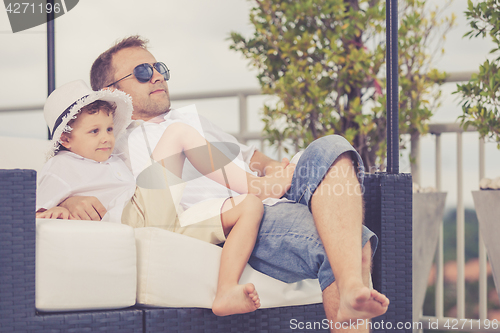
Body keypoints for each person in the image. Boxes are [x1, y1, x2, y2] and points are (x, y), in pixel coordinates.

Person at [61, 36, 389, 330]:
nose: (158, 75)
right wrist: (68, 202)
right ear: (114, 92)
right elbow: (74, 172)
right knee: (348, 240)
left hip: (268, 191)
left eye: (158, 67)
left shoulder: (190, 121)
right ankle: (349, 286)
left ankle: (349, 289)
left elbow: (248, 154)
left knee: (332, 147)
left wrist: (276, 168)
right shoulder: (109, 140)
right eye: (143, 72)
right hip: (233, 218)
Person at [36, 80, 268, 316]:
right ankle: (259, 185)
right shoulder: (61, 165)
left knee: (250, 206)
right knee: (178, 132)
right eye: (94, 131)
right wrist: (59, 207)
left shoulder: (113, 158)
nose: (106, 138)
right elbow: (32, 212)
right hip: (133, 218)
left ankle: (226, 290)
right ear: (65, 139)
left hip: (166, 223)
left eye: (108, 129)